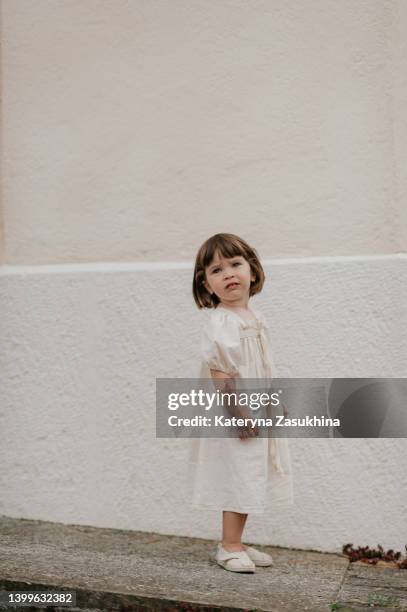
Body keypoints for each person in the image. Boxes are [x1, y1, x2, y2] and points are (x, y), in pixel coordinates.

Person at [188, 232, 294, 573]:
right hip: (235, 410)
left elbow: (265, 365)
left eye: (235, 264)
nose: (229, 274)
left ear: (253, 271)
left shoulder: (253, 317)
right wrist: (240, 414)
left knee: (251, 473)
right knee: (239, 474)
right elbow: (222, 375)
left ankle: (236, 540)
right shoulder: (221, 322)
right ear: (206, 285)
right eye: (217, 270)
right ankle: (228, 545)